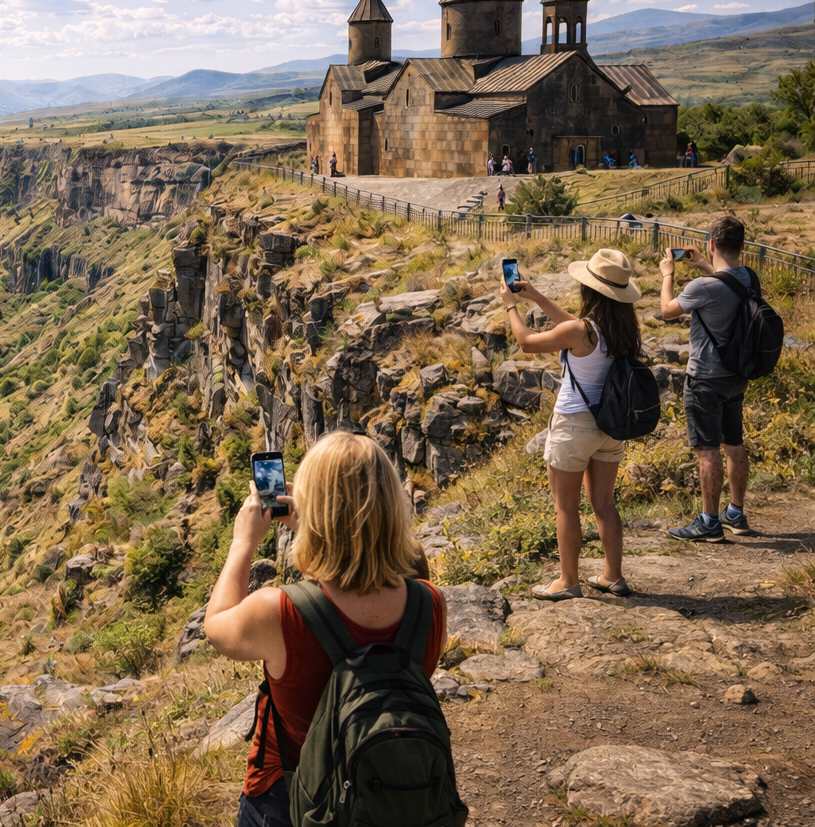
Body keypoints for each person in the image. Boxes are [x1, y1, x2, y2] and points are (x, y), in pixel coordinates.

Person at [204, 432, 446, 827]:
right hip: (391, 787)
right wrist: (316, 525)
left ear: (316, 510)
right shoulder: (429, 604)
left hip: (292, 795)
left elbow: (216, 627)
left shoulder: (280, 612)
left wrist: (242, 544)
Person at [497, 249, 642, 599]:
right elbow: (573, 327)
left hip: (574, 425)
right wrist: (535, 295)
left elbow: (526, 342)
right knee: (604, 503)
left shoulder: (582, 330)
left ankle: (568, 581)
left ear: (589, 290)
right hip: (611, 425)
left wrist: (510, 306)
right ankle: (613, 576)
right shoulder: (623, 328)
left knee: (566, 507)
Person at [659, 216, 754, 542]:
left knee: (707, 450)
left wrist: (668, 275)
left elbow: (667, 309)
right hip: (737, 375)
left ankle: (709, 522)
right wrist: (702, 264)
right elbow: (729, 288)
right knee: (734, 444)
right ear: (742, 247)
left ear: (711, 244)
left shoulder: (702, 287)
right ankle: (736, 513)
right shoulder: (749, 279)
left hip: (705, 379)